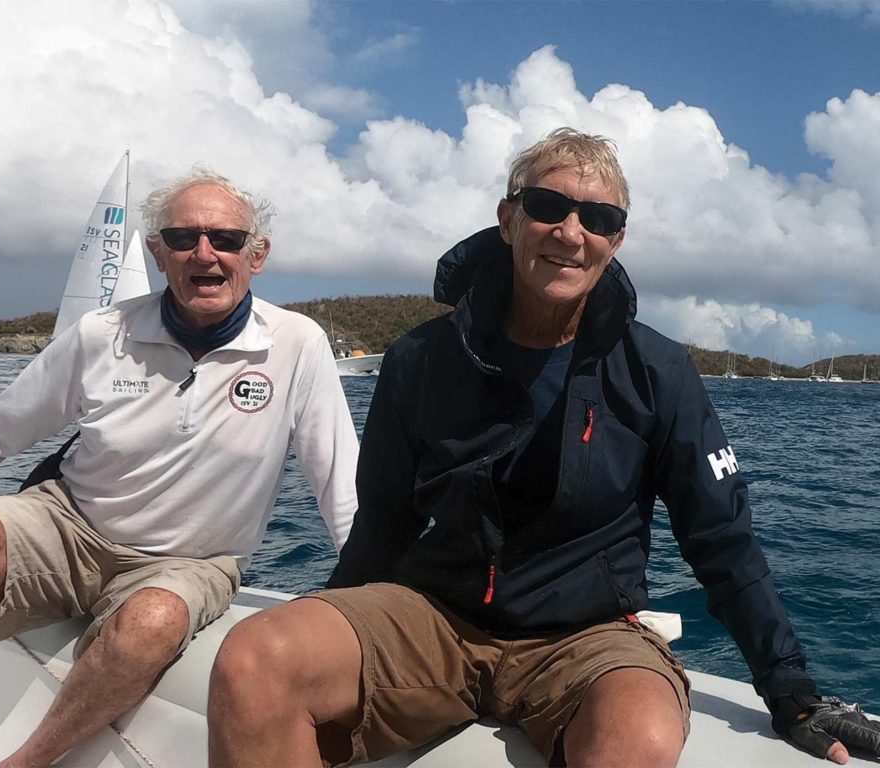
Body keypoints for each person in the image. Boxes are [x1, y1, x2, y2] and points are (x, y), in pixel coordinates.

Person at [208, 129, 880, 767]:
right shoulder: (421, 358)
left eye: (598, 218)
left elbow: (721, 539)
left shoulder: (658, 371)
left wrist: (789, 689)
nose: (570, 232)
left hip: (587, 635)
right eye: (548, 206)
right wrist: (340, 621)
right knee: (255, 662)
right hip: (436, 616)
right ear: (508, 218)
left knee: (638, 732)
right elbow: (384, 517)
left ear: (617, 239)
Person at [0, 168, 359, 767]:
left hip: (191, 561)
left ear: (257, 255)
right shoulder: (102, 334)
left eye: (225, 239)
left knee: (152, 620)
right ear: (157, 252)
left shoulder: (297, 343)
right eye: (183, 238)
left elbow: (338, 480)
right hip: (69, 528)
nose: (205, 254)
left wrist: (374, 599)